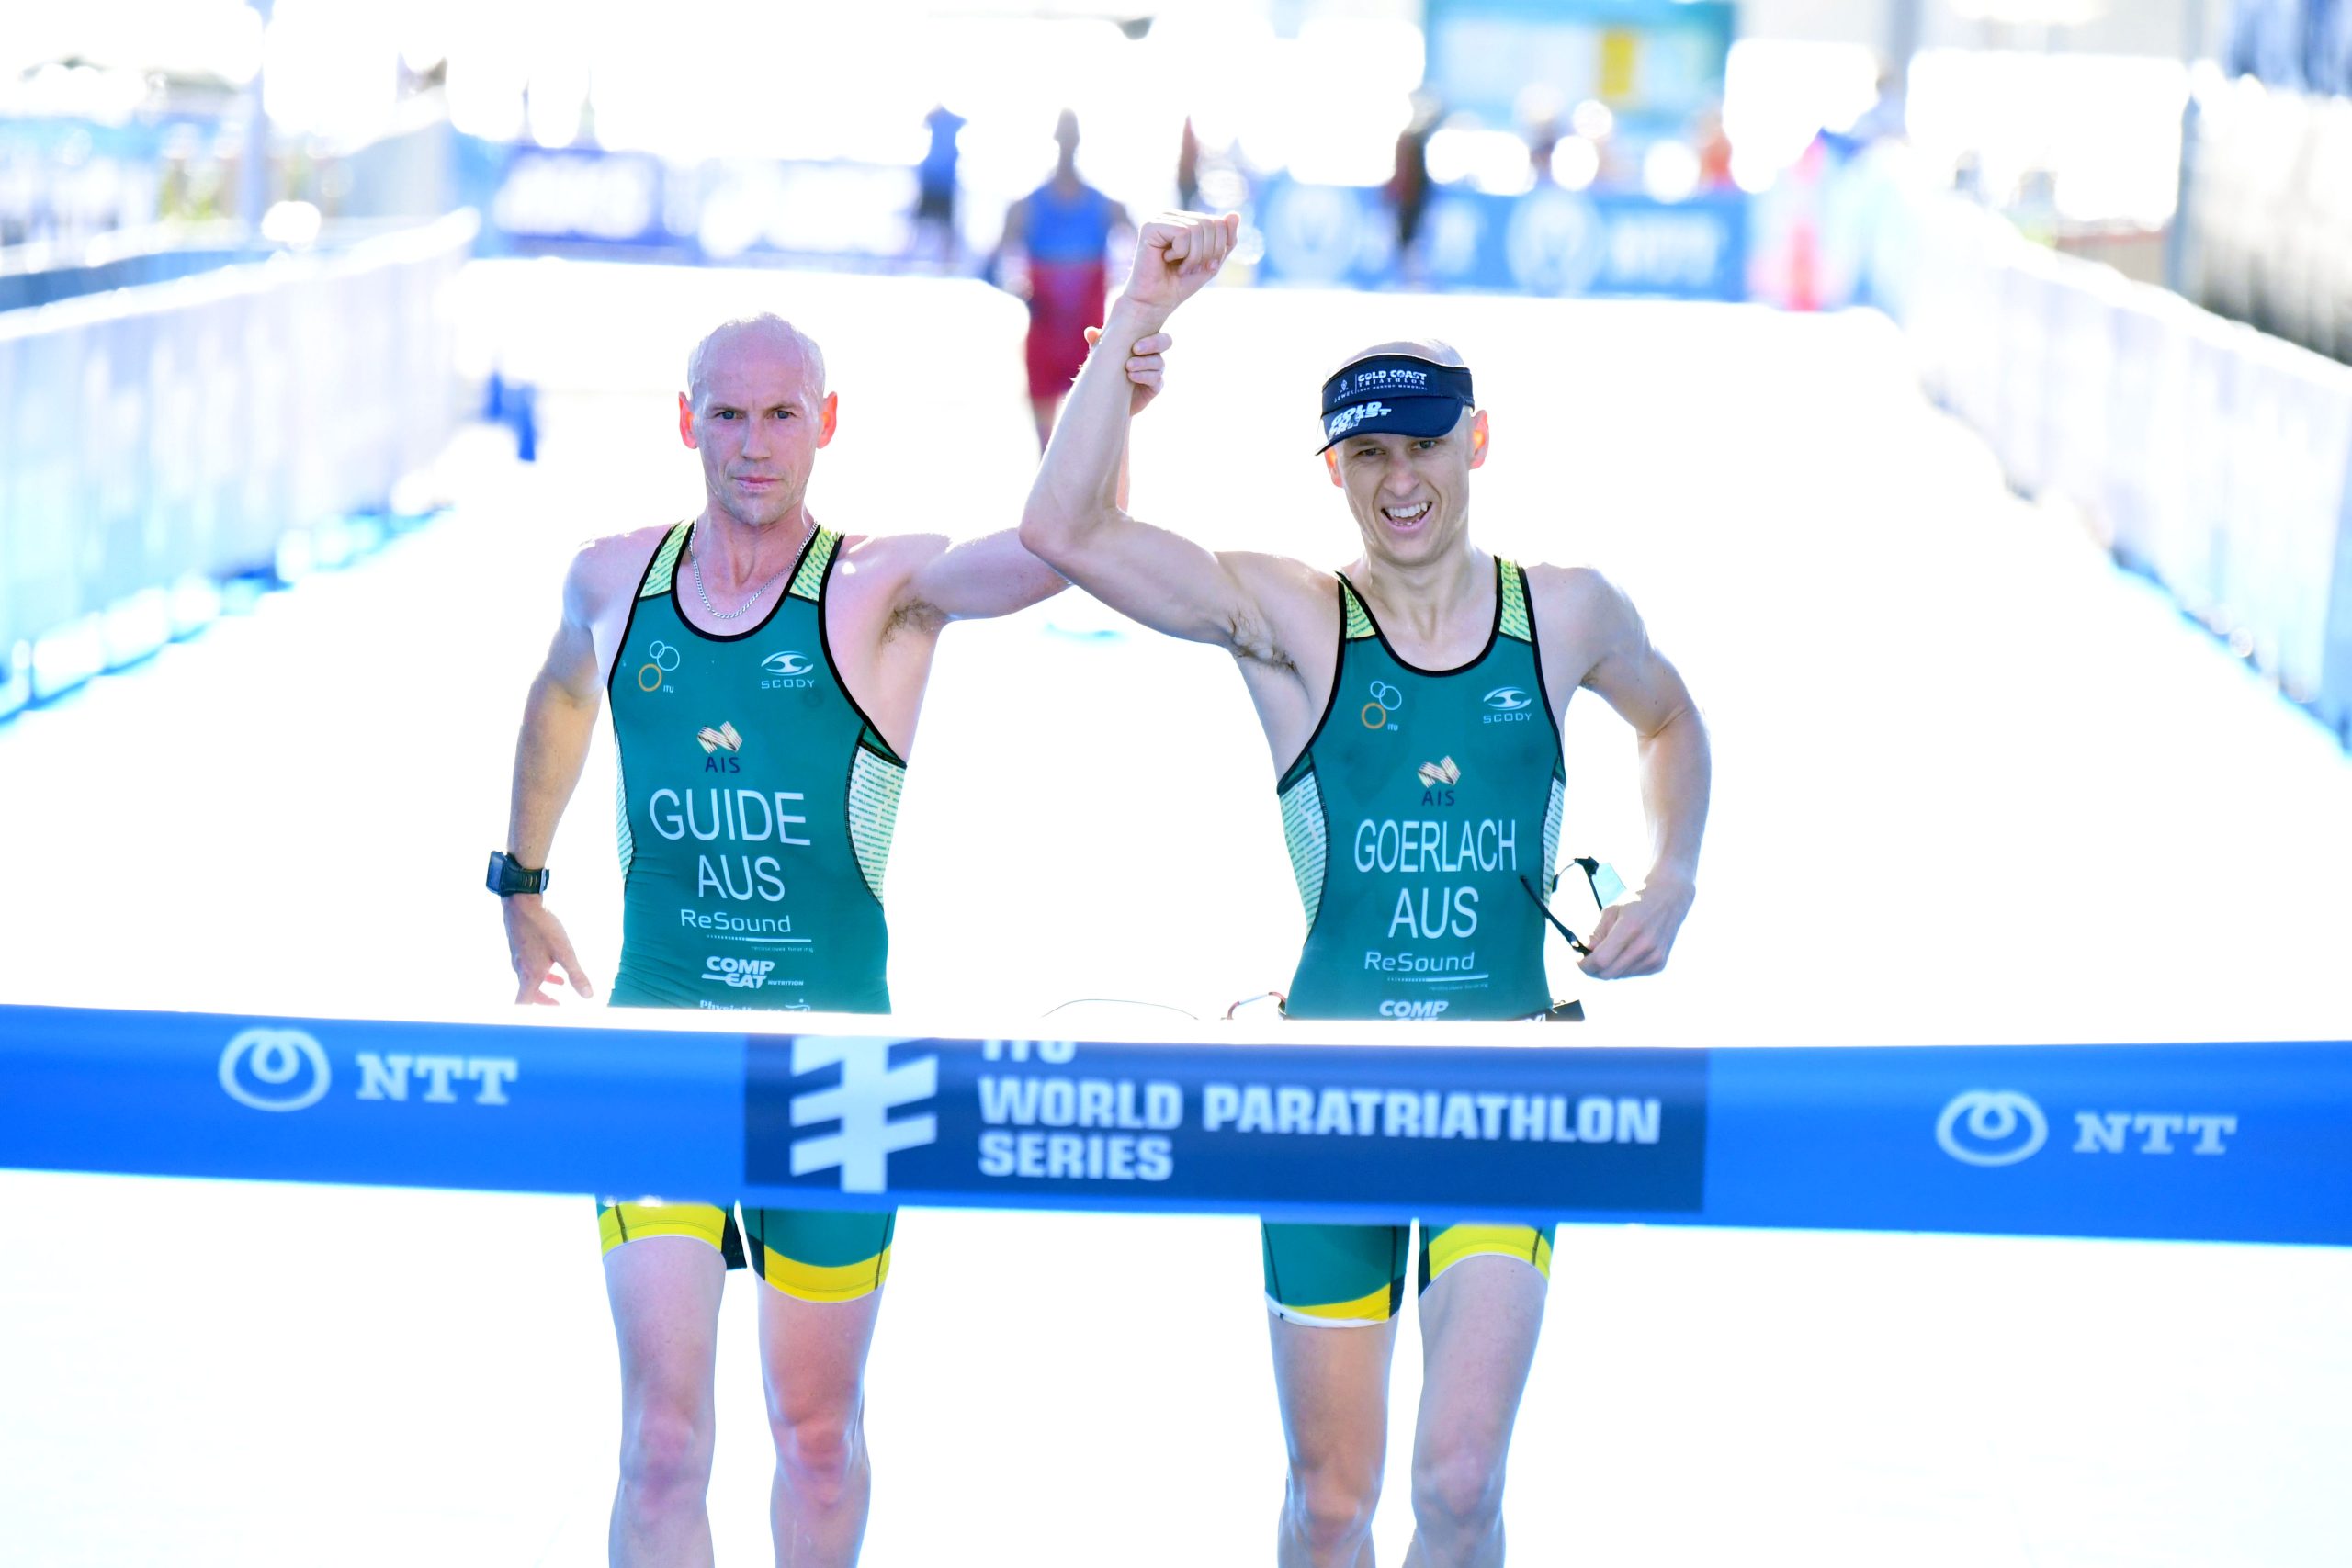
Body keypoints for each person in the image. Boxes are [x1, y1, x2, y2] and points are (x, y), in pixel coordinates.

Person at [1020, 214, 1711, 1566]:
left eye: (1426, 448)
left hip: (1511, 1090)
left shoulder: (1563, 613)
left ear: (1479, 442)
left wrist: (1674, 874)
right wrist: (1136, 319)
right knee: (1332, 1503)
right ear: (1334, 469)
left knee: (1458, 1484)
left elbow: (1673, 722)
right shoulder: (1289, 621)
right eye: (1371, 455)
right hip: (1322, 1092)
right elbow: (1062, 527)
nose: (1403, 483)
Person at [493, 311, 1170, 1567]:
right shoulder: (612, 578)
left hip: (839, 1070)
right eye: (731, 415)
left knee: (813, 1429)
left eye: (783, 414)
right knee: (663, 1438)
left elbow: (1061, 549)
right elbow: (563, 687)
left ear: (828, 422)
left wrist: (1117, 381)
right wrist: (520, 879)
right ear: (688, 421)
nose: (755, 444)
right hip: (663, 1047)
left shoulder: (882, 588)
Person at [995, 109, 1134, 449]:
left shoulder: (1105, 206)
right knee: (1049, 456)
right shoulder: (1027, 207)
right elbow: (989, 268)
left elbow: (1149, 253)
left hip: (1088, 344)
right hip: (1048, 341)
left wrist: (1128, 304)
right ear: (1060, 140)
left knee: (1079, 456)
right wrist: (1026, 296)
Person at [911, 103, 967, 267]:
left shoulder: (950, 119)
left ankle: (947, 265)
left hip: (945, 183)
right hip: (932, 179)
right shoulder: (935, 119)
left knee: (945, 228)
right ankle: (907, 263)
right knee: (919, 225)